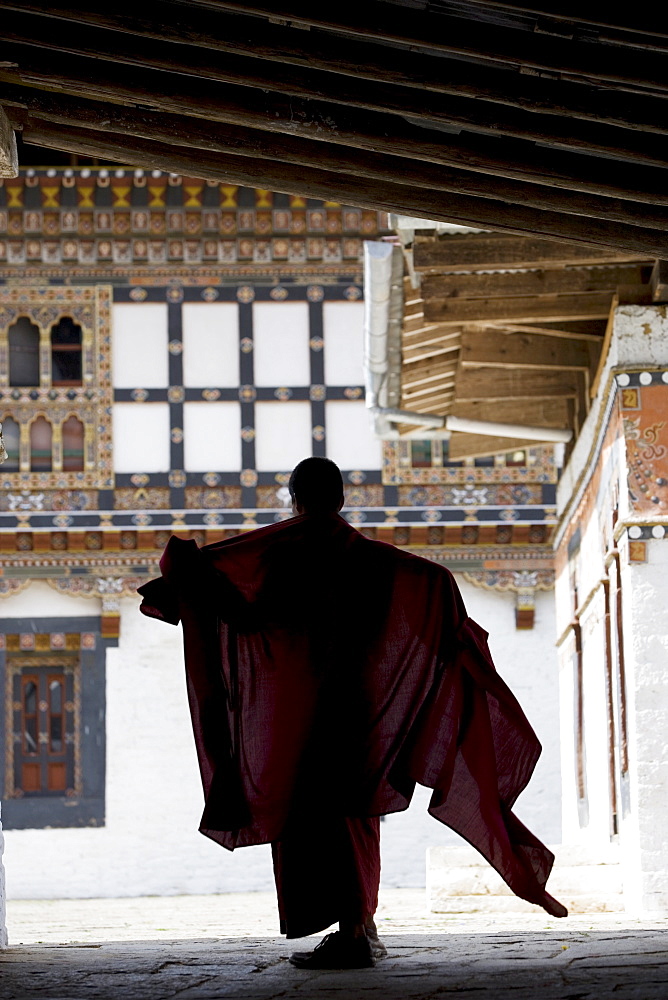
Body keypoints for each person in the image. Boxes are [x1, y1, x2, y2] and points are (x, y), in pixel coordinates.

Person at [138, 456, 566, 969]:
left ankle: (354, 933)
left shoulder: (280, 558)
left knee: (314, 818)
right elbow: (425, 585)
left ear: (294, 500)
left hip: (300, 711)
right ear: (341, 500)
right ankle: (358, 924)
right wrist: (445, 605)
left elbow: (245, 617)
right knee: (355, 815)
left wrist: (192, 578)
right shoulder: (375, 563)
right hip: (363, 711)